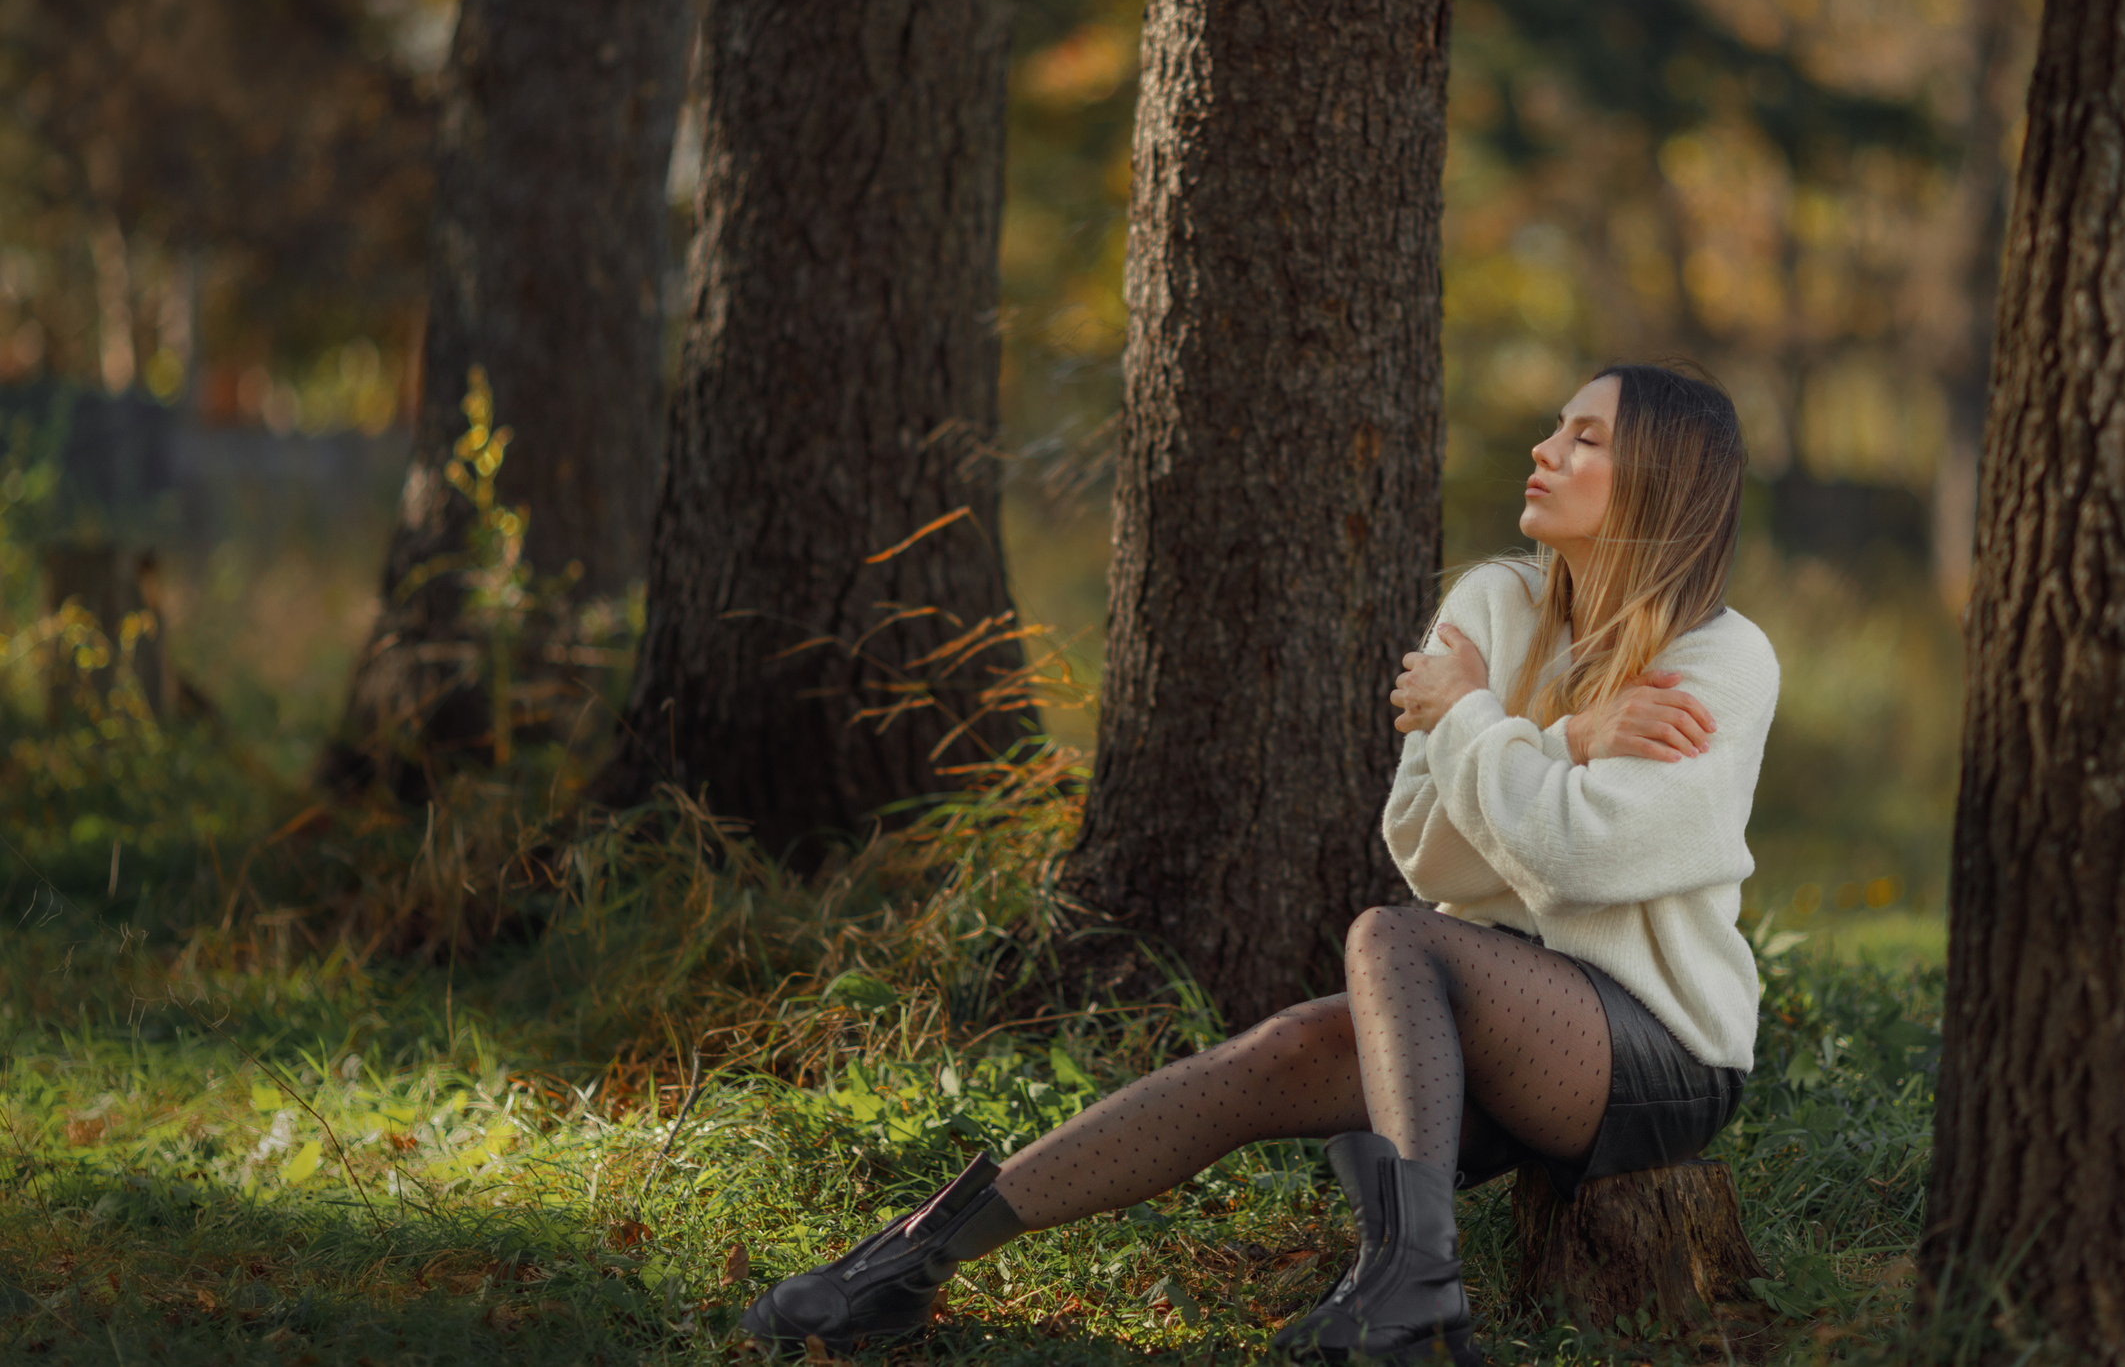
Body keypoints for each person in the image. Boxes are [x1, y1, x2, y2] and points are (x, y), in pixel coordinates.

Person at [740, 362, 1781, 1365]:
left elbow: (1577, 861)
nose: (1543, 449)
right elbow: (1423, 846)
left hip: (1658, 1052)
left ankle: (1413, 1285)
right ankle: (917, 1254)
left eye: (1584, 438)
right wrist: (1563, 744)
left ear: (1659, 478)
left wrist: (1473, 715)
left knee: (1389, 939)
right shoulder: (1490, 607)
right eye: (1555, 426)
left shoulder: (1719, 661)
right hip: (1498, 1013)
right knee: (1277, 1053)